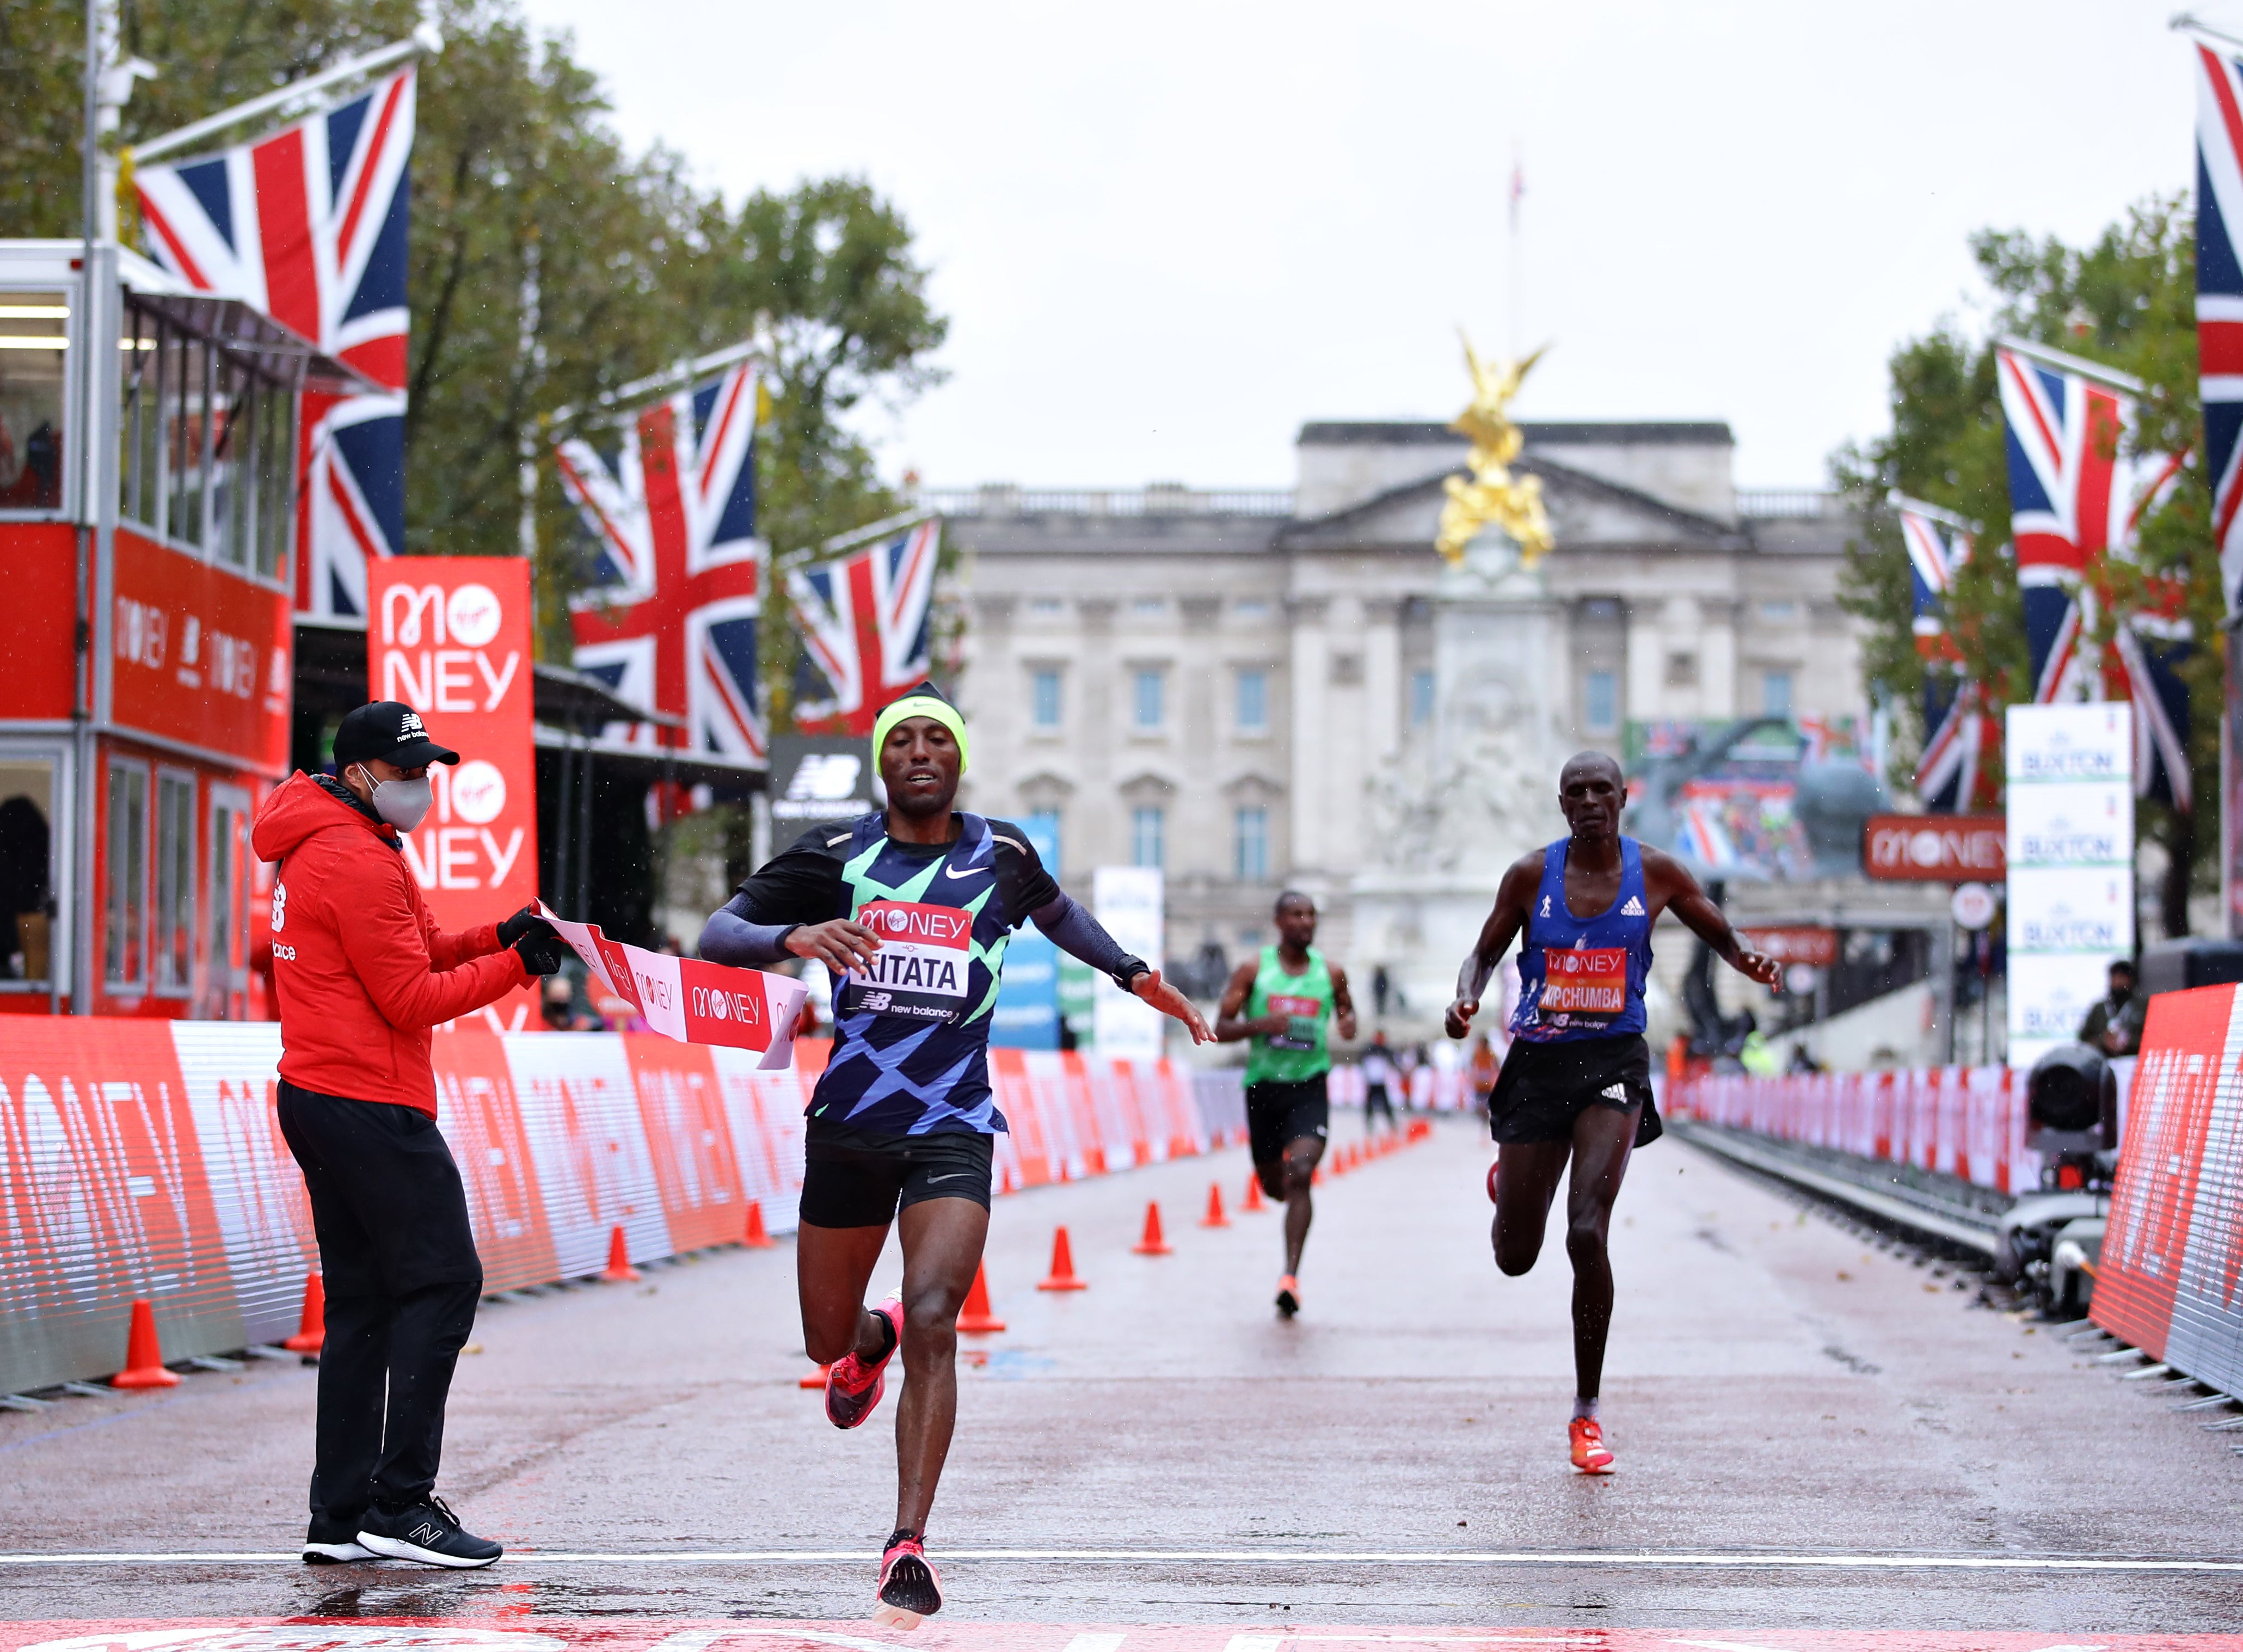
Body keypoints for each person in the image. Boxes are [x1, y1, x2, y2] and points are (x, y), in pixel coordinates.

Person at [698, 683, 1208, 1628]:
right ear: (882, 762)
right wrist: (791, 935)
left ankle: (906, 1543)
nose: (921, 752)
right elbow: (716, 934)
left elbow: (1061, 915)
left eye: (938, 739)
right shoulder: (837, 852)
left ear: (960, 758)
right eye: (903, 741)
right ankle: (869, 1343)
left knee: (938, 1314)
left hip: (952, 1123)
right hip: (850, 1124)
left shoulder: (1000, 854)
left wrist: (1135, 975)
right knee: (824, 1339)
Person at [251, 701, 567, 1569]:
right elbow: (411, 998)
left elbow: (422, 945)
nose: (421, 784)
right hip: (369, 1101)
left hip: (319, 1093)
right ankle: (400, 1503)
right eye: (407, 769)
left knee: (363, 1303)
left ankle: (340, 1513)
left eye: (426, 768)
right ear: (357, 772)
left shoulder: (341, 838)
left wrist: (499, 934)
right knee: (445, 1280)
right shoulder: (354, 855)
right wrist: (516, 967)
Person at [1445, 751, 1779, 1476]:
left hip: (1613, 1064)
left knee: (1586, 1231)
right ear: (1561, 803)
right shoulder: (1529, 875)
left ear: (1623, 797)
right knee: (1514, 1256)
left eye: (1602, 789)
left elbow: (1720, 933)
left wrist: (1747, 956)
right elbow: (1481, 955)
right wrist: (1465, 997)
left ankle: (1586, 1412)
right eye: (1577, 791)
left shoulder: (1655, 871)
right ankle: (1509, 1185)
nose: (1590, 800)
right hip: (1539, 1064)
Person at [1215, 890, 1357, 1319]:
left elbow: (1348, 1013)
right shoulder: (1253, 970)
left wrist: (1348, 1023)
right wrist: (1260, 1024)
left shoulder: (1331, 973)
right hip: (1263, 1089)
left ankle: (1289, 1278)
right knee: (1275, 1187)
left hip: (1308, 1087)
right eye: (1295, 914)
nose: (1305, 921)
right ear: (1278, 921)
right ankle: (1285, 1195)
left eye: (1310, 914)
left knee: (1301, 1172)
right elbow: (1220, 1027)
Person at [2077, 960, 2142, 1058]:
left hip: (2133, 1059)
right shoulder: (2099, 1008)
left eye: (2122, 978)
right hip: (2103, 1060)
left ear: (2131, 980)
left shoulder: (2142, 1007)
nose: (2118, 982)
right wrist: (2103, 1041)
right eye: (2115, 977)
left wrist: (2128, 1041)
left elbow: (2153, 1039)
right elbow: (2083, 1039)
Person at [1360, 1031, 1397, 1133]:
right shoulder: (1370, 1049)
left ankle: (1392, 1124)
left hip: (1380, 1081)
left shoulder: (1384, 1050)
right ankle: (1369, 1124)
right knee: (1370, 1106)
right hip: (1372, 1081)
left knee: (1386, 1106)